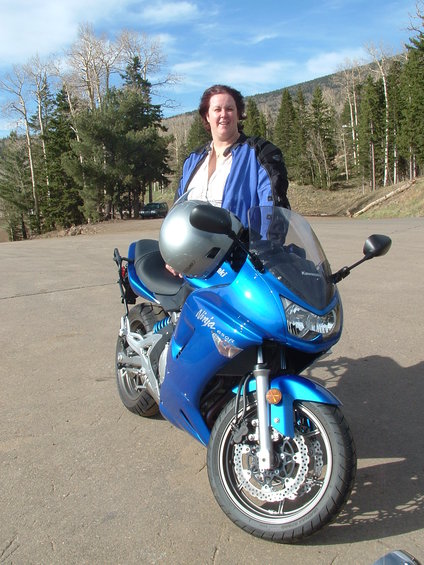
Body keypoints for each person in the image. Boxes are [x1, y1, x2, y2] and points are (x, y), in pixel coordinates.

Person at [175, 84, 290, 227]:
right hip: (192, 248)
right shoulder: (192, 160)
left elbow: (273, 211)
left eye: (229, 109)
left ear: (238, 114)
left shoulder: (261, 153)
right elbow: (177, 211)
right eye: (217, 109)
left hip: (241, 247)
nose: (223, 114)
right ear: (207, 115)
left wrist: (265, 246)